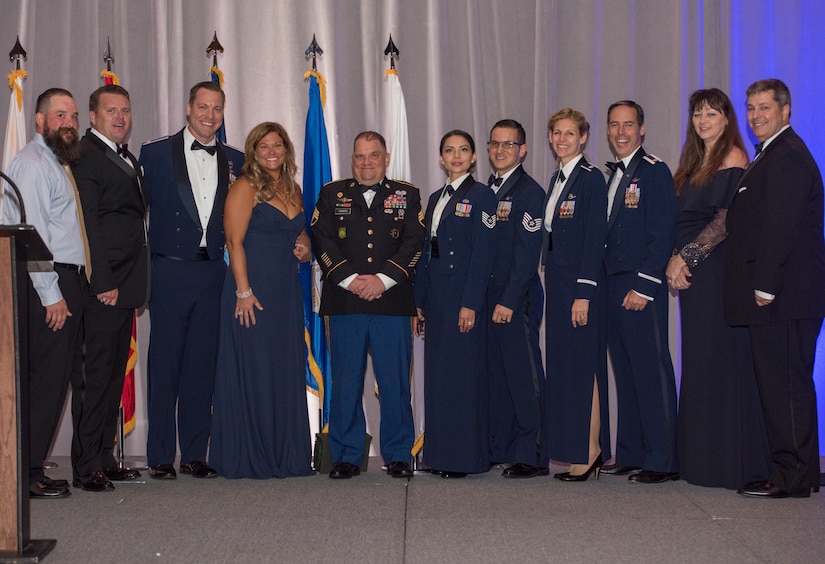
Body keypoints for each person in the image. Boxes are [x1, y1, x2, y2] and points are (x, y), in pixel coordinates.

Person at [724, 79, 825, 498]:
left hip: (782, 296)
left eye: (764, 107)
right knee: (783, 386)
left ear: (786, 110)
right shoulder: (774, 154)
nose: (755, 115)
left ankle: (793, 476)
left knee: (785, 389)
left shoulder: (786, 156)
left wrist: (765, 286)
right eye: (750, 108)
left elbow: (780, 229)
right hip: (781, 296)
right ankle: (791, 471)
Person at [666, 88, 771, 490]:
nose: (703, 119)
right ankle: (702, 462)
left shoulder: (733, 158)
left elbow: (725, 222)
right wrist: (673, 261)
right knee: (700, 362)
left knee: (721, 361)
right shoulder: (692, 162)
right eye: (697, 113)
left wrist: (685, 258)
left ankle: (730, 464)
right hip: (692, 274)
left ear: (728, 119)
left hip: (716, 271)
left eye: (712, 112)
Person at [139, 81, 244, 480]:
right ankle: (161, 457)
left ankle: (197, 453)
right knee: (164, 364)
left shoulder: (235, 158)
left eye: (217, 108)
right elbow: (133, 214)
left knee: (203, 365)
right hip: (168, 269)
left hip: (211, 272)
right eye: (203, 107)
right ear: (188, 109)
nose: (210, 115)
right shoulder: (153, 153)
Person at [311, 131, 424, 480]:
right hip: (345, 301)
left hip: (392, 301)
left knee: (394, 384)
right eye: (359, 156)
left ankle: (399, 455)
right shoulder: (332, 193)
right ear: (352, 159)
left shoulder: (407, 195)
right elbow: (321, 238)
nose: (366, 163)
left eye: (373, 155)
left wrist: (382, 280)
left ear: (386, 157)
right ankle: (346, 455)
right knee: (345, 383)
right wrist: (350, 279)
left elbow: (414, 242)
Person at [210, 122, 314, 479]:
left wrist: (305, 248)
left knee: (282, 369)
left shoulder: (293, 188)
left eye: (278, 146)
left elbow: (298, 231)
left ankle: (285, 455)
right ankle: (252, 453)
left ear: (286, 150)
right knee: (253, 368)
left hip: (286, 292)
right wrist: (243, 291)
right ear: (253, 151)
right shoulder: (244, 187)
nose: (271, 152)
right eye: (264, 146)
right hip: (251, 293)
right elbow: (234, 242)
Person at [2, 88, 84, 498]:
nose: (68, 123)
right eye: (59, 116)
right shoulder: (33, 165)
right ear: (39, 121)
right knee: (45, 382)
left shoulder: (55, 162)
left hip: (59, 280)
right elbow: (32, 235)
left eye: (72, 116)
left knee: (51, 382)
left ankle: (29, 467)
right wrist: (51, 294)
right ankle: (27, 473)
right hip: (45, 284)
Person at [70, 84, 149, 491]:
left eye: (126, 111)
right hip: (104, 286)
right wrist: (103, 281)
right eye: (112, 111)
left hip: (126, 285)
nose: (120, 117)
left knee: (113, 376)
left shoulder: (126, 157)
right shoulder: (86, 156)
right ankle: (85, 467)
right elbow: (89, 226)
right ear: (93, 116)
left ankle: (104, 456)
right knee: (95, 378)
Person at [601, 100, 679, 484]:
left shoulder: (654, 172)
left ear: (642, 129)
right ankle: (631, 452)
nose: (620, 132)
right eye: (614, 125)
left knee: (651, 370)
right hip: (612, 285)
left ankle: (663, 458)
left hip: (639, 285)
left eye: (628, 125)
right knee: (627, 372)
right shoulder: (612, 174)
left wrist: (645, 286)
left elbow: (662, 233)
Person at [414, 130, 497, 478]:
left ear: (475, 157)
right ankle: (439, 454)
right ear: (440, 158)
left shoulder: (482, 196)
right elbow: (424, 253)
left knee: (464, 378)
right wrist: (419, 300)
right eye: (450, 150)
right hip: (437, 297)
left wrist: (471, 303)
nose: (457, 156)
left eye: (464, 150)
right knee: (439, 377)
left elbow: (484, 254)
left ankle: (464, 459)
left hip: (462, 296)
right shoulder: (435, 198)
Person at [541, 108, 609, 482]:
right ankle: (574, 448)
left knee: (584, 367)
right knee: (567, 368)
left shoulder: (590, 179)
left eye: (570, 133)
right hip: (558, 282)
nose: (563, 139)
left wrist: (583, 293)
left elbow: (592, 240)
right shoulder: (557, 179)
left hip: (581, 286)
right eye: (557, 133)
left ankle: (591, 450)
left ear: (583, 137)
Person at [485, 119, 547, 478]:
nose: (500, 150)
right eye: (495, 143)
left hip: (515, 298)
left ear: (522, 150)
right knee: (499, 376)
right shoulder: (485, 191)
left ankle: (533, 453)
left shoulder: (528, 192)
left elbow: (527, 256)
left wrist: (509, 300)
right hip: (490, 298)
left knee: (524, 377)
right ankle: (503, 446)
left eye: (509, 145)